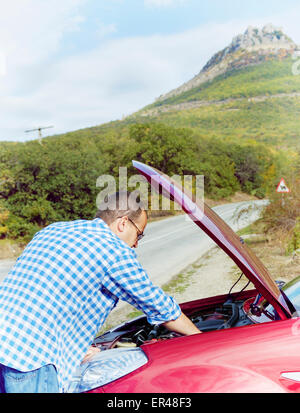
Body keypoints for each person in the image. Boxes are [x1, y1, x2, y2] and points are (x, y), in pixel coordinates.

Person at [0, 191, 201, 393]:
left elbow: (44, 294)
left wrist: (72, 348)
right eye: (139, 234)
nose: (137, 243)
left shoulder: (54, 229)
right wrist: (200, 338)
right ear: (123, 223)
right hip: (29, 359)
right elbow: (158, 306)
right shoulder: (113, 251)